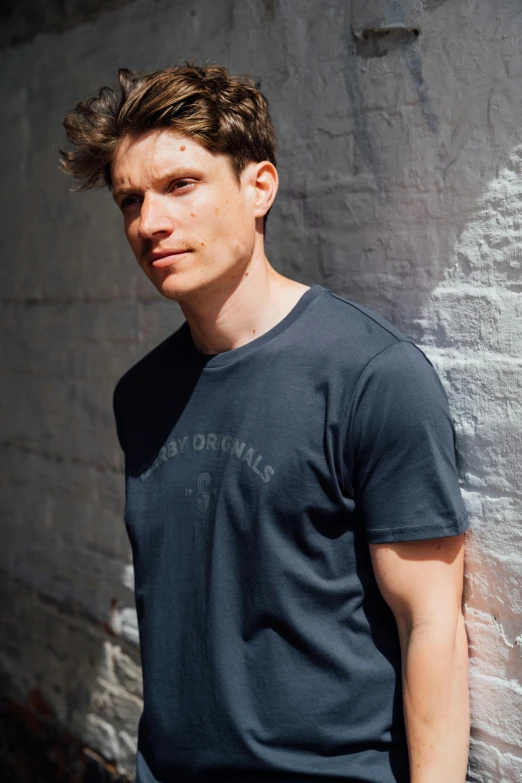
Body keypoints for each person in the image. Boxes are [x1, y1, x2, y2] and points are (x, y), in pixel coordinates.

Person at [60, 62, 470, 783]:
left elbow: (431, 624)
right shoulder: (142, 396)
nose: (150, 222)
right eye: (130, 199)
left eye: (180, 185)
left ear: (259, 187)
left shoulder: (372, 378)